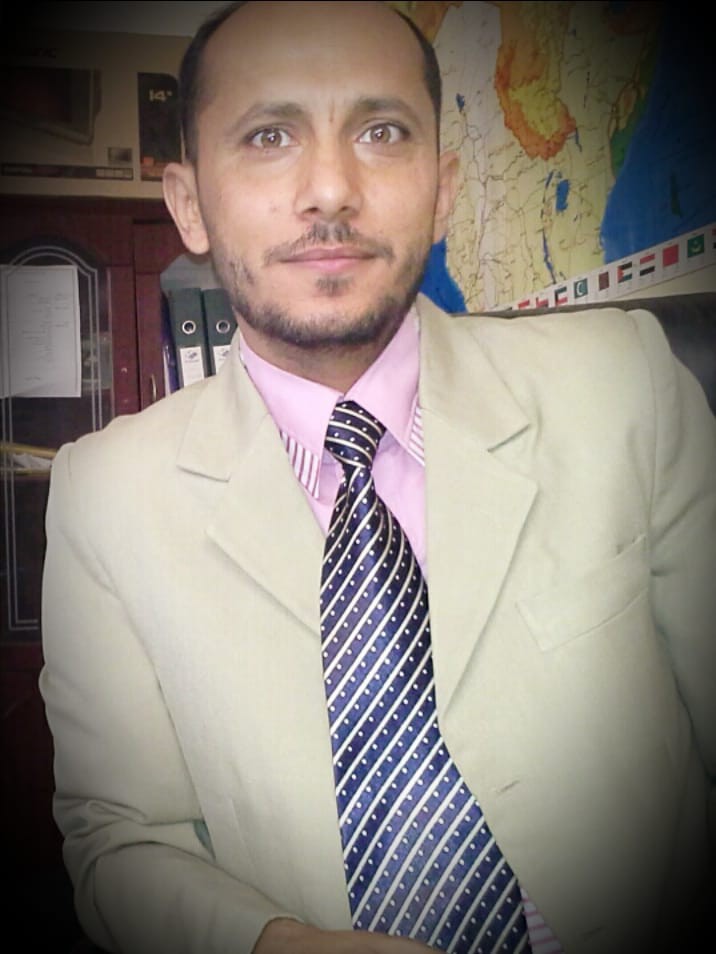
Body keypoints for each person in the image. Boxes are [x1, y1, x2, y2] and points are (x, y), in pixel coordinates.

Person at [39, 2, 715, 953]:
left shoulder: (623, 384)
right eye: (269, 136)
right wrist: (268, 943)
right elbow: (117, 838)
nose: (330, 189)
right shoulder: (104, 494)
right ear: (188, 204)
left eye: (382, 131)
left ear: (442, 190)